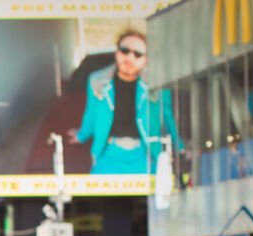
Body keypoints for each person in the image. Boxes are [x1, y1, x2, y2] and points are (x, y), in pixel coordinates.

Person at [70, 29, 180, 174]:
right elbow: (91, 113)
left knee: (156, 189)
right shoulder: (98, 81)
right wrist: (81, 135)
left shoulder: (157, 84)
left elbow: (167, 117)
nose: (130, 57)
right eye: (124, 50)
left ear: (145, 59)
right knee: (98, 189)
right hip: (110, 154)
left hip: (145, 154)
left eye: (137, 54)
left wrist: (180, 147)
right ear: (117, 53)